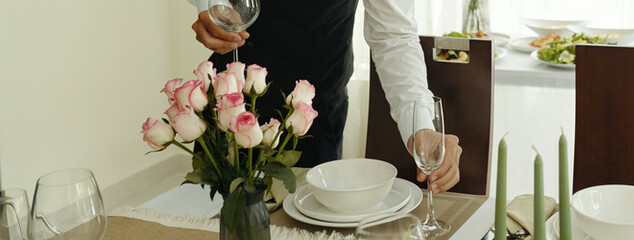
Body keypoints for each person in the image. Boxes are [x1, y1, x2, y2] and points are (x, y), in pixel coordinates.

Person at [187, 0, 462, 194]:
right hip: (230, 99)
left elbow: (393, 37)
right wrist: (210, 6)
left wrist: (420, 125)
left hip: (312, 114)